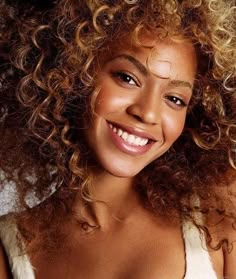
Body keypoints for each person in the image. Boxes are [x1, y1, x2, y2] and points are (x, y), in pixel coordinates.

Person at [0, 0, 235, 278]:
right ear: (71, 72)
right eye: (127, 78)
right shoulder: (10, 248)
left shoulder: (220, 208)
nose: (148, 113)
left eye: (174, 98)